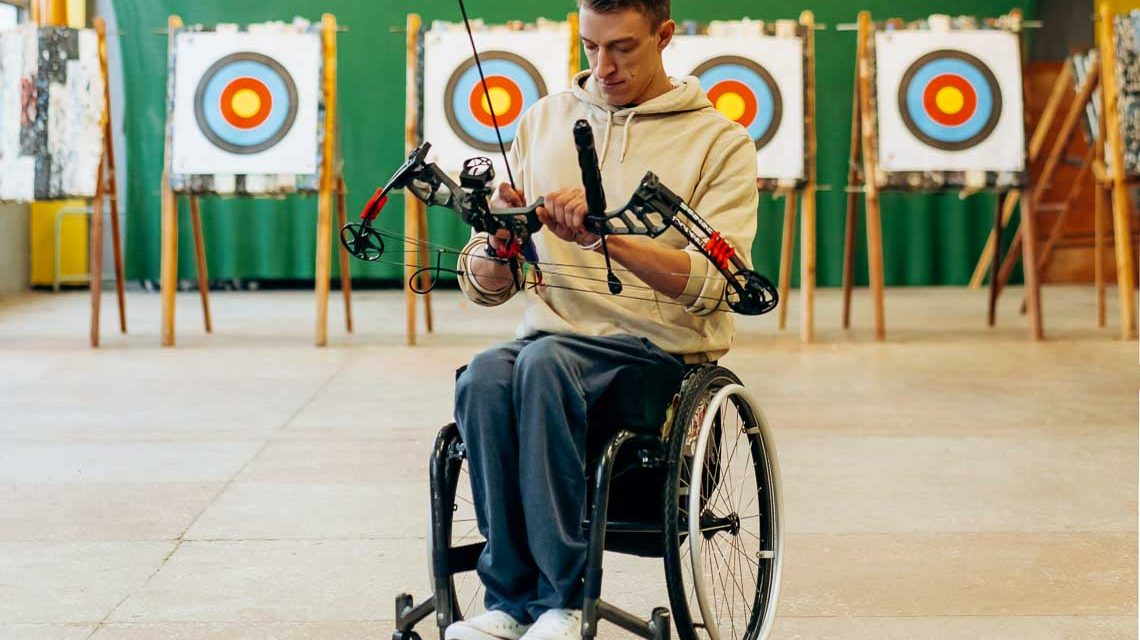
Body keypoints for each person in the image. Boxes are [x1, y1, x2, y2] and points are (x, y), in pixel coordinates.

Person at [446, 0, 758, 639]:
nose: (603, 65)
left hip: (660, 362)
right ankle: (509, 603)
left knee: (544, 364)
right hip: (549, 347)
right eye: (591, 46)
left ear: (664, 36)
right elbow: (484, 287)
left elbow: (719, 285)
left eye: (623, 47)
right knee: (483, 375)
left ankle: (561, 603)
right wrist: (498, 249)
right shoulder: (544, 120)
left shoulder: (718, 142)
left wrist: (603, 238)